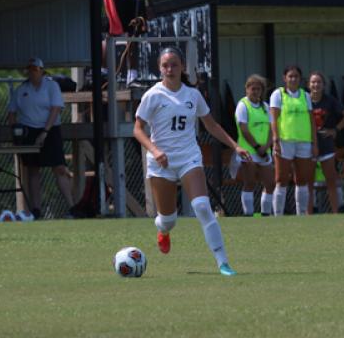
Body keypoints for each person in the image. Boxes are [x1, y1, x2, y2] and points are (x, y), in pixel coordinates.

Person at [133, 47, 251, 276]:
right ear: (159, 68)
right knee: (168, 220)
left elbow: (212, 125)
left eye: (174, 64)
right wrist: (155, 150)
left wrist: (235, 146)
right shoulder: (153, 95)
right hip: (162, 163)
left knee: (202, 207)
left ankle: (223, 262)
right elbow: (137, 129)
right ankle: (163, 230)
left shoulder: (193, 95)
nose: (170, 69)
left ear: (182, 67)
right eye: (165, 65)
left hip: (189, 157)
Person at [7, 58, 75, 219]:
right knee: (32, 170)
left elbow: (55, 109)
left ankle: (72, 207)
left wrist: (45, 132)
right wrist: (15, 131)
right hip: (28, 131)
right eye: (30, 70)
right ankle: (36, 210)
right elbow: (11, 113)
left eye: (36, 69)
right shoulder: (21, 89)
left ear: (42, 71)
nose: (33, 73)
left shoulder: (52, 86)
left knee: (59, 168)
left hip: (50, 130)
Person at [270, 65, 317, 215]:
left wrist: (314, 143)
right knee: (281, 178)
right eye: (290, 76)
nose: (293, 79)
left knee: (302, 179)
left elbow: (311, 121)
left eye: (296, 76)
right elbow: (274, 118)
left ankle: (301, 214)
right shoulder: (278, 94)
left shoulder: (305, 96)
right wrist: (275, 139)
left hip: (303, 141)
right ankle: (278, 214)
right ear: (285, 78)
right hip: (285, 141)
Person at [308, 71, 344, 213]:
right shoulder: (304, 99)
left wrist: (335, 130)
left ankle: (335, 212)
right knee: (308, 182)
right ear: (309, 85)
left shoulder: (330, 100)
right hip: (308, 145)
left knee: (331, 181)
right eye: (313, 82)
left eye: (319, 82)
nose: (316, 85)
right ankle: (307, 214)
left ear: (324, 85)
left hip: (326, 144)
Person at [234, 74, 274, 216]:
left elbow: (271, 129)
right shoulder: (242, 105)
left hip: (264, 152)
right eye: (253, 89)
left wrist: (267, 146)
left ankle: (266, 214)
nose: (255, 91)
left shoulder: (265, 106)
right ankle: (248, 214)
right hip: (249, 151)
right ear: (247, 89)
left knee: (270, 184)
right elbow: (244, 129)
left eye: (258, 89)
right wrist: (257, 147)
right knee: (250, 183)